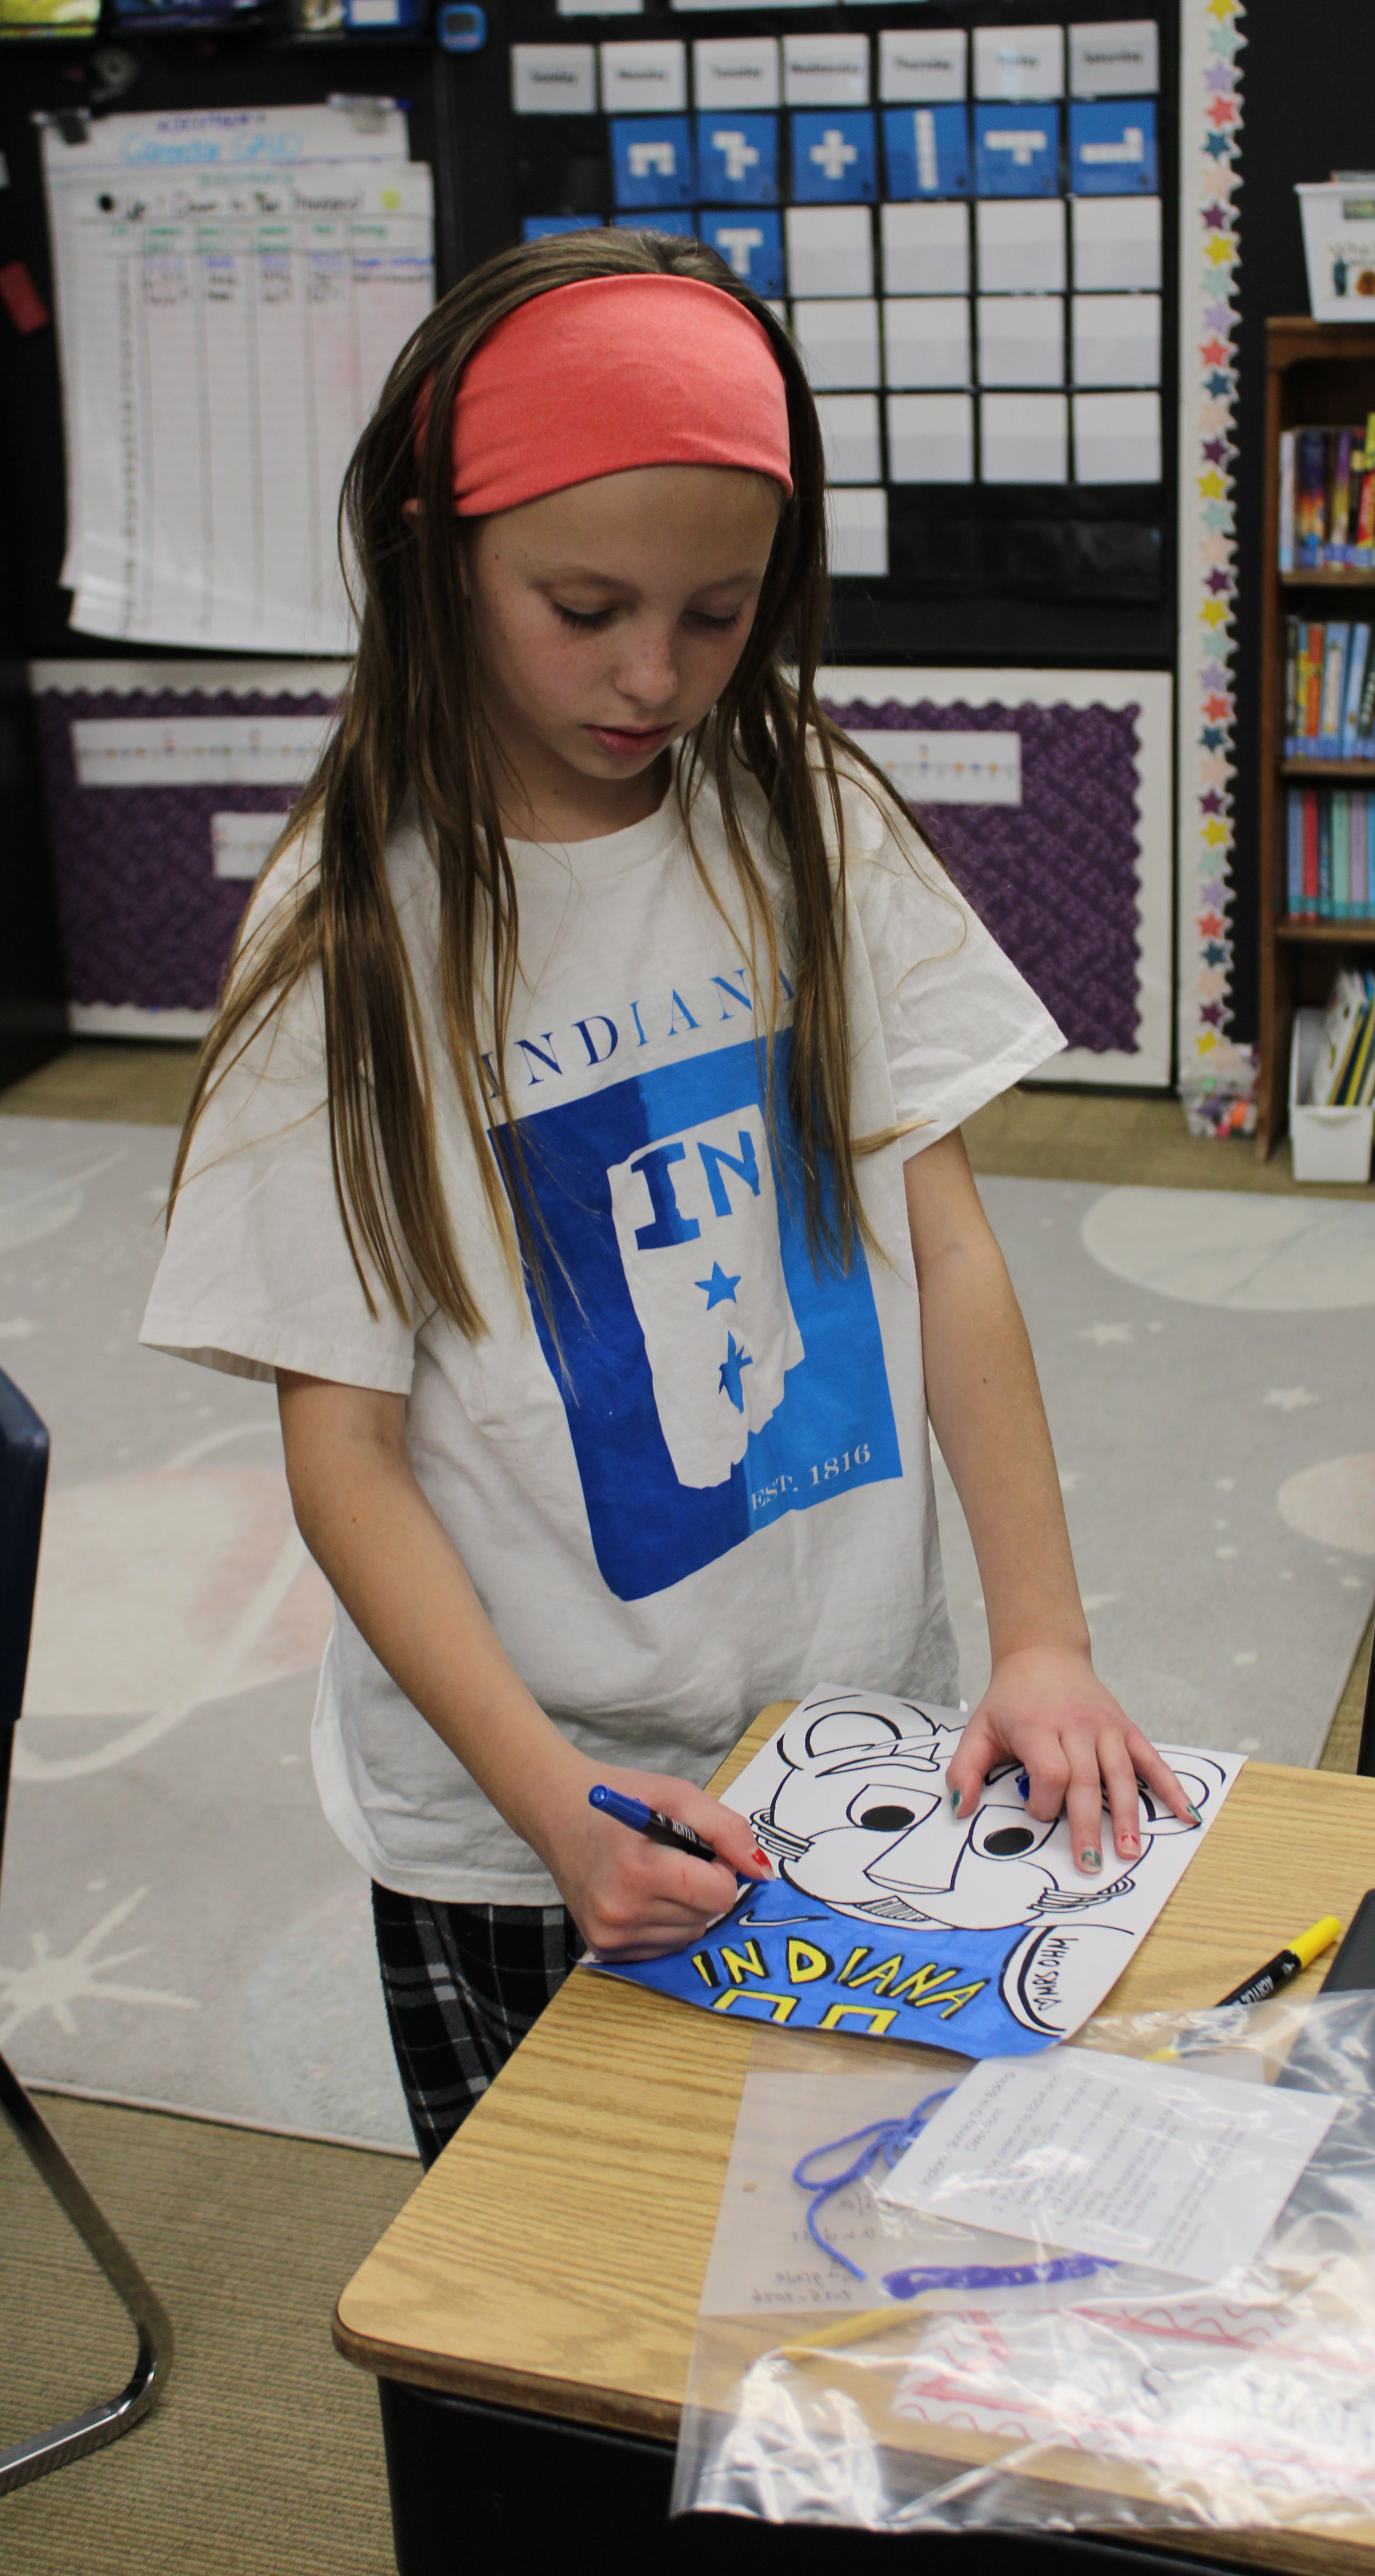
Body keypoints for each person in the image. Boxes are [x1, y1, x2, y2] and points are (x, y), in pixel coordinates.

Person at [142, 228, 1192, 2164]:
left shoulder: (804, 815)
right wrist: (552, 1805)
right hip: (525, 1805)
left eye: (719, 614)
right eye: (586, 607)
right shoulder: (347, 944)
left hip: (846, 1722)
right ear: (433, 553)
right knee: (556, 2262)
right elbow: (342, 1450)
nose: (655, 675)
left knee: (843, 2205)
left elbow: (948, 1249)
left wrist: (1042, 1632)